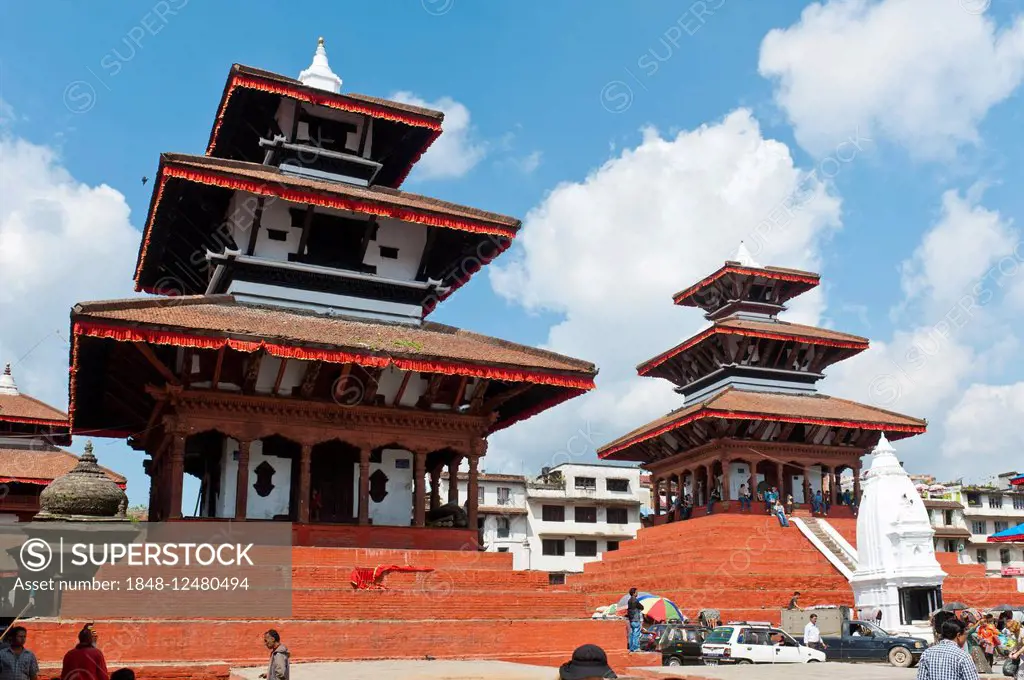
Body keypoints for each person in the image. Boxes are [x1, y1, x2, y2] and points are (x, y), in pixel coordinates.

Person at [915, 618, 980, 680]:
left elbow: (921, 678)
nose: (965, 638)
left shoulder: (927, 653)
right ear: (959, 635)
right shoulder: (963, 656)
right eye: (965, 635)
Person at [625, 588, 644, 653]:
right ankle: (636, 647)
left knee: (632, 634)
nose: (637, 593)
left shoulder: (629, 601)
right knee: (636, 633)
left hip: (631, 619)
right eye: (636, 592)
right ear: (634, 593)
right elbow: (641, 607)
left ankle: (631, 648)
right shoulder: (635, 600)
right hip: (636, 619)